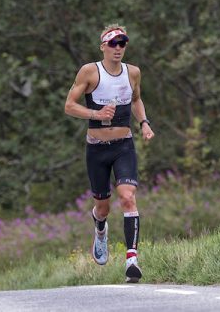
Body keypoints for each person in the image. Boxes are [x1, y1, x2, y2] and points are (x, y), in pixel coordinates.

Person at [64, 24, 155, 283]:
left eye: (122, 43)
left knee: (127, 197)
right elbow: (69, 105)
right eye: (113, 43)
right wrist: (95, 114)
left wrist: (144, 123)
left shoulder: (133, 73)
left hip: (123, 146)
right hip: (96, 149)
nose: (118, 48)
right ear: (103, 46)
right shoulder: (90, 72)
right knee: (102, 208)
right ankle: (100, 228)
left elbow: (136, 100)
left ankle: (132, 260)